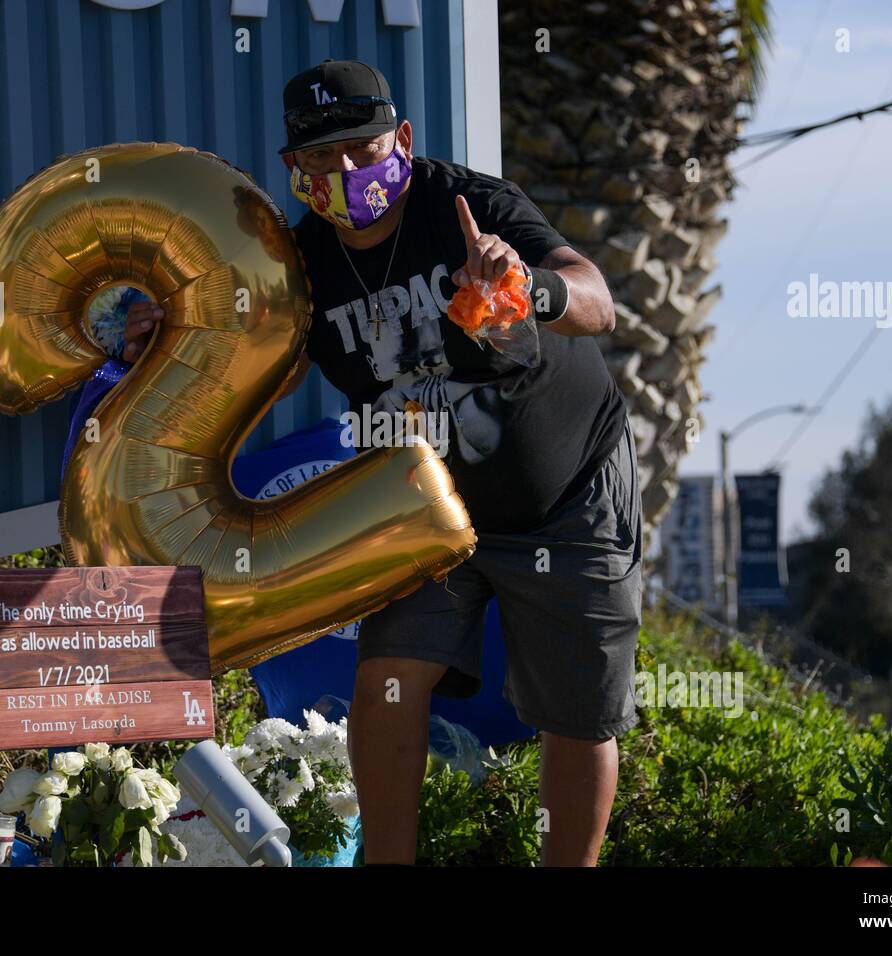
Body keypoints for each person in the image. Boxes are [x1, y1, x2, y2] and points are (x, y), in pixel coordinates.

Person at [124, 58, 642, 867]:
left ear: (401, 138)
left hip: (568, 490)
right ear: (295, 174)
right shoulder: (299, 267)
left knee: (578, 715)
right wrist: (176, 341)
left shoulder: (463, 205)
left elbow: (597, 300)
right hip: (435, 507)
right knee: (387, 680)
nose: (348, 172)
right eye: (322, 160)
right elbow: (267, 367)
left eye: (364, 148)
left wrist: (525, 285)